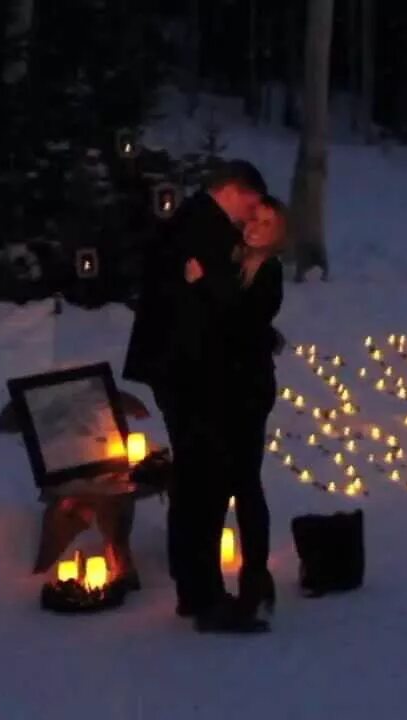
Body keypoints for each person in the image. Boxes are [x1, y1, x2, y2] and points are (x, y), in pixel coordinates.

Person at [122, 160, 268, 632]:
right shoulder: (202, 227)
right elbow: (213, 302)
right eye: (252, 201)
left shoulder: (192, 222)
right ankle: (203, 596)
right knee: (203, 480)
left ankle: (193, 587)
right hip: (190, 373)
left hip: (186, 369)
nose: (253, 213)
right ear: (234, 190)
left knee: (197, 477)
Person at [185, 195, 287, 624]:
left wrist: (202, 284)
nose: (254, 226)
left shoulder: (269, 272)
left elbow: (244, 321)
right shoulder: (232, 262)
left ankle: (253, 577)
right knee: (234, 482)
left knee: (243, 482)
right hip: (223, 388)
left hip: (247, 391)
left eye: (266, 222)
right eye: (253, 218)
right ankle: (247, 579)